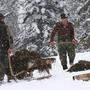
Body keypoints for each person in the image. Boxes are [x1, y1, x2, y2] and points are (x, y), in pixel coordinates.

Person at [0, 13, 13, 83]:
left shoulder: (5, 27)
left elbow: (9, 38)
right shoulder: (5, 27)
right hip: (4, 47)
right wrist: (9, 47)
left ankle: (5, 78)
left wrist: (9, 47)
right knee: (5, 63)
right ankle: (8, 77)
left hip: (4, 47)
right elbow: (10, 38)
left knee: (4, 63)